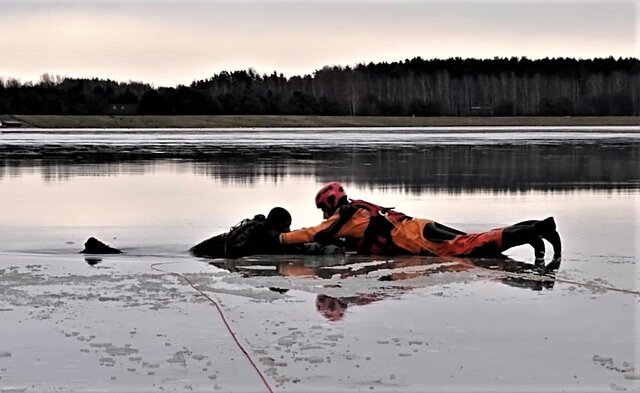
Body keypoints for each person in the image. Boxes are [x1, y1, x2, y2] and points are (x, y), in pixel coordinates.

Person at [279, 182, 562, 260]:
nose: (323, 216)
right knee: (474, 240)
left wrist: (280, 238)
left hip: (415, 239)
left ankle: (536, 229)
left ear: (329, 205)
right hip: (417, 226)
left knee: (473, 247)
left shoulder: (344, 217)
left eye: (322, 210)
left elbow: (313, 234)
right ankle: (535, 229)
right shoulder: (357, 209)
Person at [191, 207, 342, 258]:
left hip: (213, 246)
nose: (288, 231)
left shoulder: (261, 226)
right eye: (286, 227)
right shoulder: (266, 234)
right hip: (215, 251)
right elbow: (293, 246)